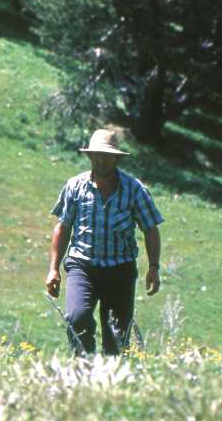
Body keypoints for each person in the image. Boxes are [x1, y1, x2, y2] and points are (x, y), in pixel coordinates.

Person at [45, 129, 164, 355]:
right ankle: (83, 368)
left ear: (117, 158)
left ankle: (109, 382)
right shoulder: (75, 186)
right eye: (97, 154)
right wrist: (53, 269)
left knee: (117, 339)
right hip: (83, 267)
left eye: (107, 155)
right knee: (77, 318)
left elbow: (150, 228)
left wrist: (154, 267)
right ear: (90, 156)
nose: (101, 160)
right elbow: (63, 226)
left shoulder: (134, 189)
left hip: (120, 269)